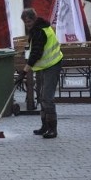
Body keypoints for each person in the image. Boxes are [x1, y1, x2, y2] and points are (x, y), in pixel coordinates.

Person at [21, 8, 63, 139]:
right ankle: (44, 126)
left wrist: (24, 71)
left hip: (53, 64)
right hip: (45, 66)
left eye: (29, 21)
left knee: (47, 97)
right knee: (41, 96)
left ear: (34, 19)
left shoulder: (40, 31)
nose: (27, 24)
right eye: (25, 22)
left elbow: (36, 53)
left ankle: (52, 129)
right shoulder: (38, 28)